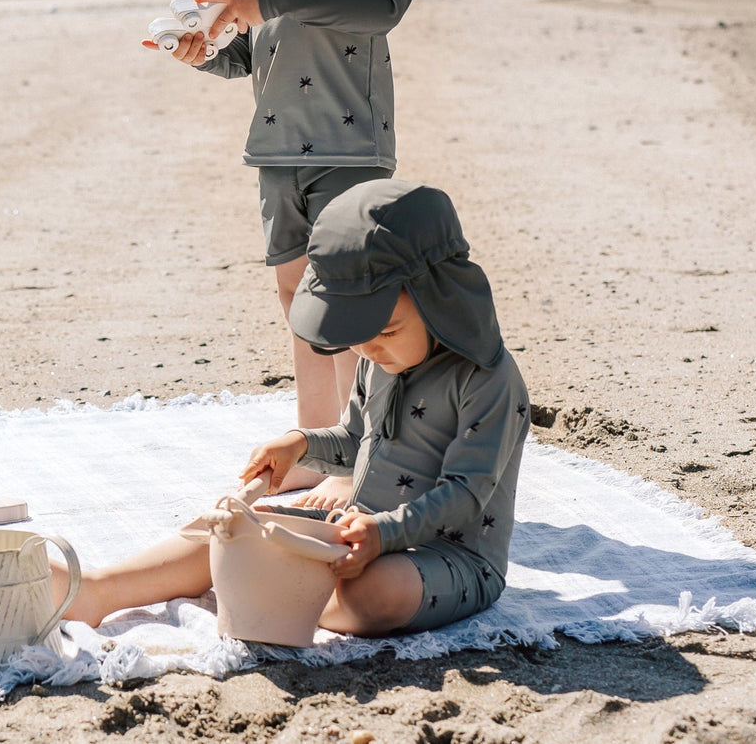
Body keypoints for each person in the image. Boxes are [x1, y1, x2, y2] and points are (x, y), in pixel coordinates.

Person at [53, 180, 530, 638]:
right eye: (356, 334)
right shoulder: (377, 360)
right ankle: (99, 590)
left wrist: (383, 536)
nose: (366, 348)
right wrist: (299, 445)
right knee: (229, 527)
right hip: (356, 530)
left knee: (375, 593)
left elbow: (466, 493)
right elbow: (354, 440)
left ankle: (273, 594)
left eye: (384, 331)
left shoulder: (488, 380)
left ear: (441, 300)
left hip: (446, 556)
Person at [144, 0, 415, 500]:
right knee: (295, 294)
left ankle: (366, 455)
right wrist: (204, 50)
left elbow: (379, 8)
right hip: (273, 149)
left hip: (347, 141)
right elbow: (255, 59)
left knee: (349, 296)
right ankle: (311, 442)